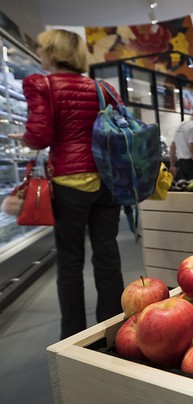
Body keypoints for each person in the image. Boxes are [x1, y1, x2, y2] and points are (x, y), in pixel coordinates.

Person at [13, 29, 125, 339]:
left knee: (70, 261)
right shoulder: (102, 87)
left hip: (69, 181)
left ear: (49, 51)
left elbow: (40, 136)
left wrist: (23, 138)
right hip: (108, 181)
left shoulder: (41, 84)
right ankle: (113, 330)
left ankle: (73, 336)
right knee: (107, 255)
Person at [169, 104, 193, 181]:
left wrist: (172, 165)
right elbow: (192, 148)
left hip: (181, 163)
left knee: (184, 187)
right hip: (191, 163)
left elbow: (172, 146)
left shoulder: (180, 125)